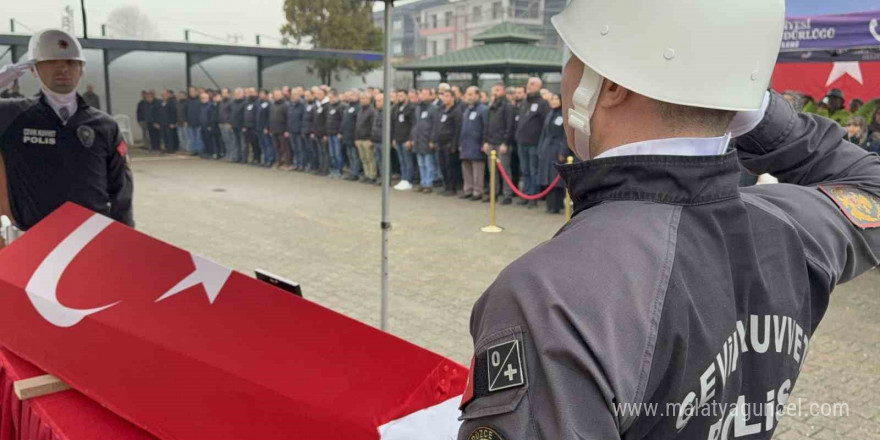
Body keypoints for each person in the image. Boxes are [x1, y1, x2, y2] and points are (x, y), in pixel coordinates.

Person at [457, 1, 880, 439]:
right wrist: (746, 104)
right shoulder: (791, 225)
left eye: (573, 60)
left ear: (610, 83)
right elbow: (871, 184)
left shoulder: (546, 293)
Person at [0, 28, 133, 249]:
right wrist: (6, 76)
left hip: (92, 239)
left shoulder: (104, 125)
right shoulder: (13, 115)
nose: (63, 68)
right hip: (34, 240)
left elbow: (121, 188)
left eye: (72, 62)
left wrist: (125, 235)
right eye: (52, 62)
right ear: (33, 69)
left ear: (81, 69)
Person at [515, 77, 550, 208]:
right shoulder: (524, 103)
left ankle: (532, 197)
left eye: (533, 84)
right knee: (524, 171)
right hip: (521, 142)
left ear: (539, 87)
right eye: (529, 84)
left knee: (533, 170)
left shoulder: (543, 103)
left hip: (534, 144)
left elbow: (545, 125)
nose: (530, 86)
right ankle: (525, 195)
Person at [483, 83, 516, 204]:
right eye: (493, 90)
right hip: (491, 142)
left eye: (497, 90)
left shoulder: (508, 106)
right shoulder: (491, 106)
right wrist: (485, 141)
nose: (495, 92)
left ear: (503, 91)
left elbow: (510, 126)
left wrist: (505, 143)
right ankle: (494, 193)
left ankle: (507, 195)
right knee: (492, 170)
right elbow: (487, 125)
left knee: (505, 170)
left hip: (501, 143)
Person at [536, 93, 568, 214]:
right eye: (552, 99)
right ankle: (549, 205)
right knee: (547, 177)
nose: (553, 101)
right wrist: (540, 149)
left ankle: (558, 205)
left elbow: (565, 136)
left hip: (557, 148)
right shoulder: (549, 114)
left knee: (556, 178)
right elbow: (543, 134)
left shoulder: (564, 115)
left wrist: (563, 151)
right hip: (547, 148)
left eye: (556, 99)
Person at [458, 86, 488, 201]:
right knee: (466, 168)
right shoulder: (466, 110)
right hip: (466, 143)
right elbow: (463, 128)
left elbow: (485, 127)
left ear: (477, 95)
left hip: (477, 144)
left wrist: (484, 142)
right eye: (467, 94)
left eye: (471, 94)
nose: (468, 97)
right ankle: (468, 189)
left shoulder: (483, 110)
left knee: (477, 169)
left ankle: (477, 191)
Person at [433, 88, 462, 196]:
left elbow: (457, 128)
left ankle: (452, 187)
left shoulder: (456, 111)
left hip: (450, 142)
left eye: (447, 96)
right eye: (443, 96)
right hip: (440, 142)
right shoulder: (441, 110)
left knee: (451, 166)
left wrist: (454, 144)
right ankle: (446, 186)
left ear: (453, 98)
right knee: (443, 165)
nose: (445, 98)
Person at [411, 88, 439, 193]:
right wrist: (413, 138)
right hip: (418, 139)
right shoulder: (418, 108)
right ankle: (423, 182)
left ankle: (429, 183)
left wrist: (432, 140)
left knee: (429, 163)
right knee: (421, 164)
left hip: (427, 139)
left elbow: (435, 126)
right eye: (421, 93)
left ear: (431, 96)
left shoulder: (433, 109)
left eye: (425, 94)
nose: (422, 96)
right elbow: (415, 125)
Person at [392, 89, 416, 190]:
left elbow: (413, 125)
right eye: (398, 95)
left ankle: (408, 180)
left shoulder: (411, 108)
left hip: (406, 139)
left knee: (408, 161)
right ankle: (403, 178)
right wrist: (393, 138)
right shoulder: (397, 108)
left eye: (401, 95)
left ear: (406, 96)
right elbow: (394, 124)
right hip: (398, 138)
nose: (399, 97)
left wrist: (410, 139)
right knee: (401, 161)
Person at [355, 92, 377, 183]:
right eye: (361, 99)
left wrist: (372, 139)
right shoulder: (360, 110)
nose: (362, 100)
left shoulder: (372, 111)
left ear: (369, 99)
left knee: (370, 158)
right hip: (359, 138)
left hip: (367, 139)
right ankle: (366, 174)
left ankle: (372, 175)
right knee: (363, 158)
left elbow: (373, 126)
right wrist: (356, 138)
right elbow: (357, 125)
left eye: (364, 98)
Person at [341, 90, 361, 181]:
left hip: (353, 135)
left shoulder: (358, 107)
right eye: (350, 95)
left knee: (354, 156)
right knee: (350, 155)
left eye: (353, 95)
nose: (351, 97)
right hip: (346, 135)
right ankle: (352, 171)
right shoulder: (348, 106)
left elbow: (357, 123)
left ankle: (355, 173)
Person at [325, 89, 344, 178]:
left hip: (336, 133)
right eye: (329, 98)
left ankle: (339, 170)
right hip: (330, 132)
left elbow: (342, 121)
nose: (330, 100)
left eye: (331, 98)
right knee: (332, 153)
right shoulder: (329, 106)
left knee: (337, 153)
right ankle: (334, 169)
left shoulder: (340, 106)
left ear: (336, 97)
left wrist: (340, 132)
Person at [269, 88, 290, 169]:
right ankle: (279, 162)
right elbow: (270, 117)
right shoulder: (273, 105)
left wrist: (287, 130)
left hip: (283, 130)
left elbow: (288, 118)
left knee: (284, 148)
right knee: (276, 147)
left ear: (281, 95)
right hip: (274, 129)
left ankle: (287, 163)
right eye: (275, 95)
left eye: (278, 95)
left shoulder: (285, 105)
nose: (276, 96)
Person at [286, 87, 305, 171]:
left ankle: (301, 164)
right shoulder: (290, 105)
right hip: (291, 130)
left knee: (300, 149)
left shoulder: (302, 105)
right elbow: (288, 118)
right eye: (292, 94)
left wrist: (302, 130)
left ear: (299, 95)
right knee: (294, 148)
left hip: (299, 130)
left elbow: (304, 119)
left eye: (295, 94)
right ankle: (296, 163)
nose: (293, 96)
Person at [313, 88, 329, 175]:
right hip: (317, 132)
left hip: (324, 133)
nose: (318, 95)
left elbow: (327, 120)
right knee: (320, 151)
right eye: (317, 94)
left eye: (320, 94)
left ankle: (325, 169)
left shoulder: (327, 105)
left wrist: (326, 133)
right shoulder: (317, 105)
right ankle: (321, 167)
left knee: (325, 151)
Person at [370, 92, 385, 185]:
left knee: (385, 161)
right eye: (376, 101)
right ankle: (381, 177)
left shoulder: (388, 112)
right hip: (376, 139)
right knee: (379, 160)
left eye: (380, 101)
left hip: (383, 140)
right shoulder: (376, 112)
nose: (377, 103)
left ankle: (386, 179)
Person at [243, 87, 261, 165]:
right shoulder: (247, 102)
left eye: (252, 92)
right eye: (249, 92)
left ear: (256, 93)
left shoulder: (258, 102)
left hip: (255, 126)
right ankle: (254, 157)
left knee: (257, 143)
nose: (250, 93)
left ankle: (258, 158)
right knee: (251, 143)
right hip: (248, 126)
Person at [257, 89, 274, 167]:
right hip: (259, 127)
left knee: (268, 144)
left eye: (262, 94)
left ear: (266, 95)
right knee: (262, 145)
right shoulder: (259, 103)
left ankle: (270, 160)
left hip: (265, 128)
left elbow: (269, 116)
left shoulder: (269, 104)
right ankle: (265, 159)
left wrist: (267, 127)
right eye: (260, 94)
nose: (260, 95)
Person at [301, 89, 317, 172]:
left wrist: (313, 131)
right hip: (305, 130)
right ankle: (309, 164)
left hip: (311, 131)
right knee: (307, 149)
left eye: (308, 96)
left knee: (312, 149)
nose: (306, 97)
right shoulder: (305, 105)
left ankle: (314, 166)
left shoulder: (315, 105)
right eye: (305, 96)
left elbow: (315, 120)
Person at [184, 86, 203, 155]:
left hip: (198, 122)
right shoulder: (187, 101)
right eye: (190, 92)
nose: (191, 93)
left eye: (193, 91)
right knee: (192, 138)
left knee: (199, 137)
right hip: (190, 122)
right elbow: (185, 111)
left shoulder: (200, 100)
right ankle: (194, 150)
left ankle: (200, 150)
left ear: (196, 92)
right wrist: (185, 121)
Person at [218, 88, 235, 160]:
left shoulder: (231, 102)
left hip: (228, 124)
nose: (223, 94)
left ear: (229, 94)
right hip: (222, 124)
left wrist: (230, 123)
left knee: (231, 141)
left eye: (225, 92)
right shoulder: (221, 102)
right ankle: (228, 154)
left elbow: (232, 114)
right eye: (222, 92)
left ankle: (232, 155)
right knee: (225, 140)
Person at [230, 87, 246, 163]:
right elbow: (231, 114)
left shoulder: (245, 102)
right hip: (234, 125)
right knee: (236, 143)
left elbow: (246, 115)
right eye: (236, 93)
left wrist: (244, 126)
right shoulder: (233, 102)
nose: (238, 94)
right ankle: (237, 157)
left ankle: (244, 158)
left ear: (243, 94)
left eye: (239, 93)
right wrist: (231, 123)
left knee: (243, 143)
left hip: (242, 126)